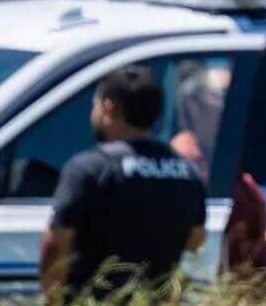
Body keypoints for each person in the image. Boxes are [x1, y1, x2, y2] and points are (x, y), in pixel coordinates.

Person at [40, 66, 207, 304]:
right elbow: (196, 240)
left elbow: (56, 245)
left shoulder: (90, 168)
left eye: (94, 104)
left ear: (108, 107)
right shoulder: (187, 172)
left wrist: (53, 299)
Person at [168, 63, 266, 283]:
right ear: (193, 107)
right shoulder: (185, 161)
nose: (233, 107)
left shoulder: (222, 159)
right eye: (222, 97)